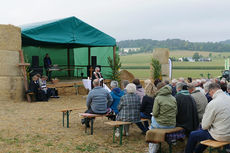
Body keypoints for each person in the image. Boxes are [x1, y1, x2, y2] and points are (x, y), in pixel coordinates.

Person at [185, 83, 230, 153]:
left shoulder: (213, 103)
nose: (210, 95)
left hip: (220, 135)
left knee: (193, 134)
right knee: (206, 134)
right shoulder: (228, 98)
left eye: (209, 93)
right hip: (227, 133)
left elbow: (204, 126)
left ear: (211, 91)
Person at [149, 84, 177, 153]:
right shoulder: (173, 98)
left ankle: (152, 150)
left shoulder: (158, 98)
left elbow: (155, 113)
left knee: (152, 122)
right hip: (172, 125)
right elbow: (176, 112)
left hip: (160, 124)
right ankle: (172, 141)